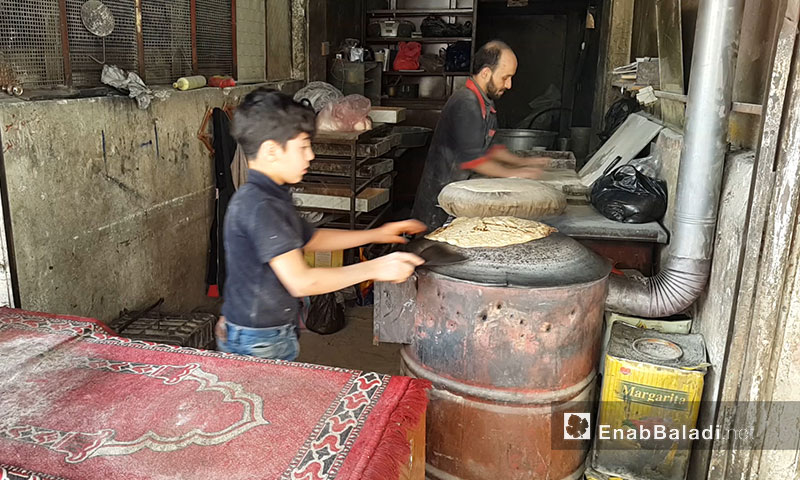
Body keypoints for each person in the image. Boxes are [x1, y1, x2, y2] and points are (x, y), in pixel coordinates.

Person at [215, 88, 425, 361]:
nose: (311, 156)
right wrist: (376, 268)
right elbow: (301, 282)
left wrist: (377, 234)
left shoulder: (272, 195)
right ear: (271, 151)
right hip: (257, 340)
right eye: (303, 146)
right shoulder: (260, 206)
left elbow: (311, 238)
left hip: (267, 332)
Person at [412, 40, 551, 229]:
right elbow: (473, 160)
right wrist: (514, 174)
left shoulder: (486, 102)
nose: (509, 85)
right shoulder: (466, 103)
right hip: (441, 203)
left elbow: (490, 149)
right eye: (505, 77)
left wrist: (525, 162)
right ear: (486, 73)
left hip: (459, 195)